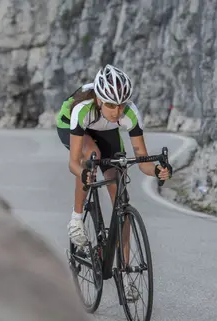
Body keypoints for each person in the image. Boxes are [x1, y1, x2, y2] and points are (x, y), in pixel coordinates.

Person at [56, 64, 172, 247]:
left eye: (121, 105)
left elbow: (142, 160)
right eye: (111, 105)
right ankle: (76, 220)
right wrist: (85, 173)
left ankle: (123, 271)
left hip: (105, 130)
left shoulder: (130, 112)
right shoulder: (83, 108)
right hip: (71, 125)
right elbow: (73, 163)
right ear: (99, 99)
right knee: (92, 155)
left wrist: (158, 170)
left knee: (119, 192)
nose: (116, 112)